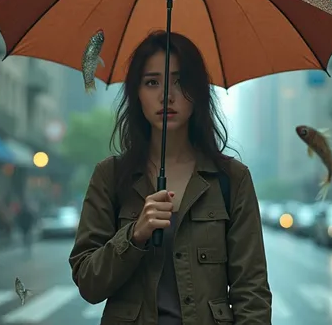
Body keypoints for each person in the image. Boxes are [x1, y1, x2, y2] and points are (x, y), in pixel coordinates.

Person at [69, 31, 272, 324]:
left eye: (180, 81)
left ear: (198, 91)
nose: (167, 95)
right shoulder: (110, 176)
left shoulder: (232, 179)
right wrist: (134, 234)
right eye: (152, 82)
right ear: (136, 93)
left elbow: (251, 292)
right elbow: (88, 282)